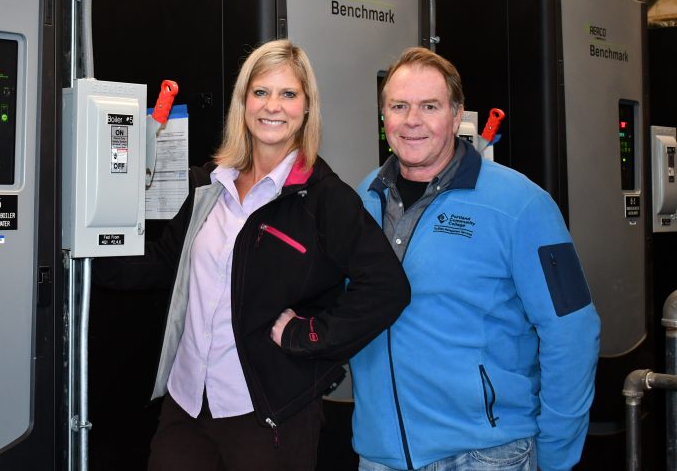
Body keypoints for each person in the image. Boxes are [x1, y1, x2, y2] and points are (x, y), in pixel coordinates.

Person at [95, 39, 410, 471]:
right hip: (187, 404)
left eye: (288, 94)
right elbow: (166, 262)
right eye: (260, 92)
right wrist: (86, 252)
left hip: (266, 416)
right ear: (243, 103)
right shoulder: (211, 185)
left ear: (306, 107)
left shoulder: (324, 198)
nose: (272, 106)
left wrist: (310, 335)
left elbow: (387, 288)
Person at [349, 47, 600, 471]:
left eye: (430, 106)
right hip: (379, 455)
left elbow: (572, 331)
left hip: (485, 454)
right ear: (383, 115)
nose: (412, 120)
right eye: (399, 106)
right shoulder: (364, 198)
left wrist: (558, 452)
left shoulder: (522, 204)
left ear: (456, 115)